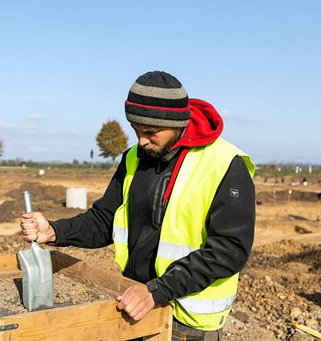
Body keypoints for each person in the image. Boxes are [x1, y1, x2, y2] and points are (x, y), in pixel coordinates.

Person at [20, 71, 255, 341]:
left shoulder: (225, 163)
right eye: (136, 130)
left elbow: (230, 250)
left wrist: (156, 290)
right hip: (135, 305)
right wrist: (54, 231)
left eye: (151, 132)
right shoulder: (135, 157)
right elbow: (105, 220)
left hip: (187, 324)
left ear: (177, 123)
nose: (141, 140)